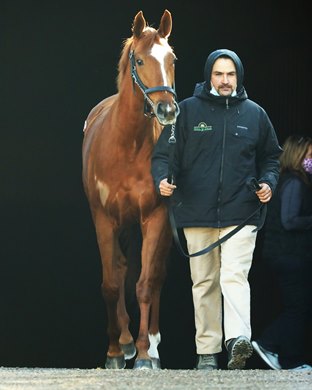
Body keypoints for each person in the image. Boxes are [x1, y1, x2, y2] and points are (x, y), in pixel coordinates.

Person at [151, 48, 282, 370]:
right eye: (219, 74)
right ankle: (207, 353)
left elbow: (272, 158)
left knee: (234, 276)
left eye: (231, 74)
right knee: (205, 282)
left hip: (242, 212)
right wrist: (162, 181)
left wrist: (268, 182)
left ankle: (237, 340)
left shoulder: (255, 114)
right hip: (196, 212)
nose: (225, 81)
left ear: (238, 77)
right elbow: (163, 157)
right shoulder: (186, 112)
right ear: (209, 76)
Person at [252, 135, 312, 371]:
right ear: (298, 155)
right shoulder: (294, 182)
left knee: (297, 308)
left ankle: (288, 359)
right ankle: (271, 345)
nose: (311, 160)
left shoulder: (293, 181)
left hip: (286, 256)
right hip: (290, 257)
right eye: (309, 155)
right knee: (297, 309)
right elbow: (289, 220)